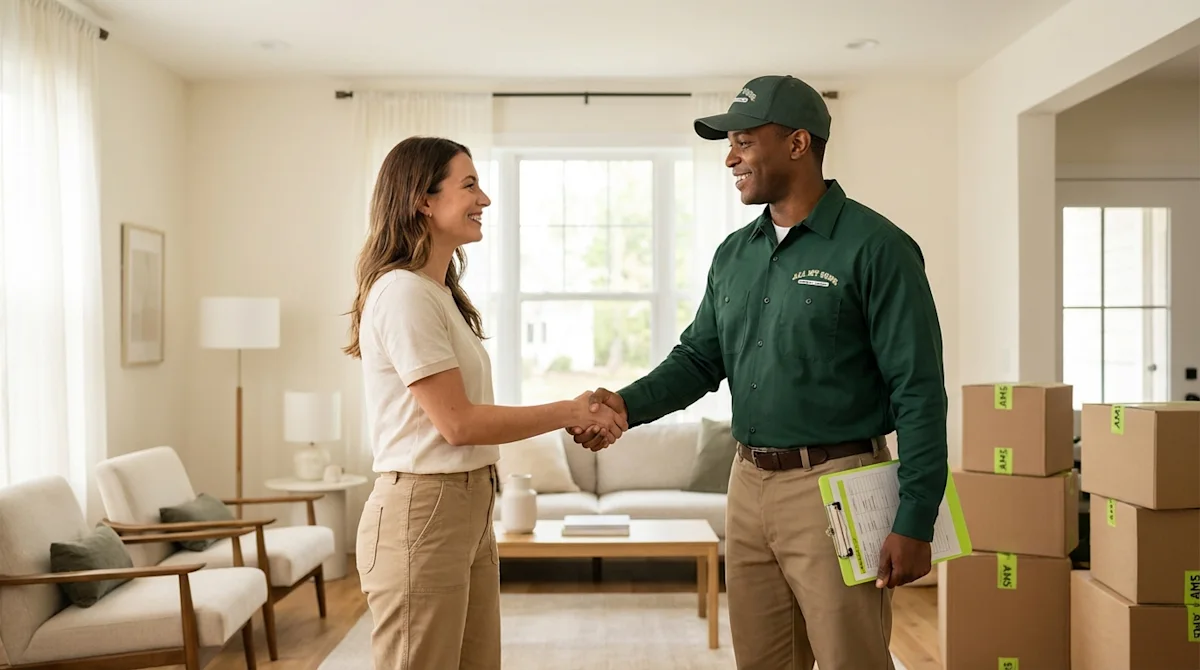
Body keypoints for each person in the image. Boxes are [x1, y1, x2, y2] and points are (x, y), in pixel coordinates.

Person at [570, 75, 948, 670]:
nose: (730, 158)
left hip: (836, 487)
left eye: (744, 142)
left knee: (852, 660)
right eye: (730, 144)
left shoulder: (878, 248)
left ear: (798, 144)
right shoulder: (733, 254)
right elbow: (698, 358)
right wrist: (623, 403)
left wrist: (917, 516)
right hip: (746, 486)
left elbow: (919, 392)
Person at [345, 135, 626, 670]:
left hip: (469, 505)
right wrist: (569, 410)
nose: (485, 200)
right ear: (422, 200)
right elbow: (457, 423)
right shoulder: (402, 292)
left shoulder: (438, 293)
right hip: (424, 512)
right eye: (469, 184)